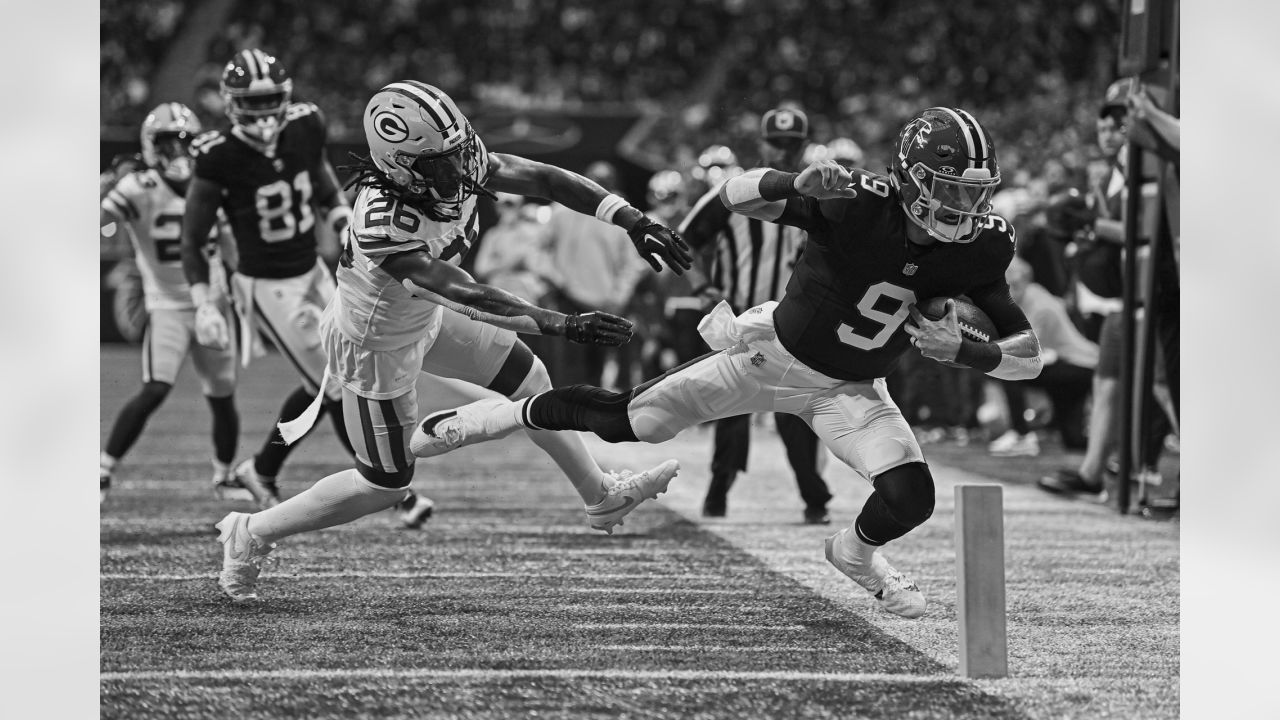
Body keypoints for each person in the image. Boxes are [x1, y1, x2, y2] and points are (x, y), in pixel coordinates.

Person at [412, 107, 1043, 619]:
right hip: (766, 356)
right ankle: (498, 417)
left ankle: (854, 554)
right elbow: (735, 193)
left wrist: (967, 351)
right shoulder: (859, 203)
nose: (966, 206)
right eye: (954, 188)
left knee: (911, 496)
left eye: (975, 192)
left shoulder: (981, 245)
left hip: (848, 387)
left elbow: (1028, 356)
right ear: (913, 179)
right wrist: (794, 184)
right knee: (629, 422)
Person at [211, 80, 693, 602]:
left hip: (427, 315)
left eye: (460, 153)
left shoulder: (451, 157)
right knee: (385, 483)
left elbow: (545, 178)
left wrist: (630, 218)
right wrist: (561, 322)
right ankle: (250, 531)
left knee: (529, 377)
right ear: (401, 167)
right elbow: (464, 292)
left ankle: (599, 496)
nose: (461, 170)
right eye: (442, 163)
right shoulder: (383, 220)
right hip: (378, 345)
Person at [178, 49, 434, 527]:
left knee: (327, 376)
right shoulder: (217, 155)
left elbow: (318, 177)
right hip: (266, 284)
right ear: (231, 104)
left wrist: (340, 216)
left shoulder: (304, 124)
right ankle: (392, 488)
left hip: (316, 269)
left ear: (287, 97)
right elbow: (192, 238)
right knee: (335, 384)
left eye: (271, 100)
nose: (262, 113)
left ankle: (262, 467)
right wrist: (202, 301)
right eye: (251, 104)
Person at [679, 107, 833, 524]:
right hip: (742, 323)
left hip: (793, 322)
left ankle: (815, 497)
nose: (783, 151)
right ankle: (718, 492)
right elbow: (683, 240)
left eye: (791, 144)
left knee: (797, 411)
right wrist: (700, 287)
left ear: (802, 146)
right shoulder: (733, 191)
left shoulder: (816, 193)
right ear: (761, 144)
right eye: (776, 143)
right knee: (731, 410)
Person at [100, 103, 243, 504]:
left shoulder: (212, 183)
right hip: (165, 304)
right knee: (156, 388)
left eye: (184, 142)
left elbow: (231, 244)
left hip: (210, 304)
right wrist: (109, 182)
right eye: (167, 143)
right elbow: (101, 221)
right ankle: (103, 468)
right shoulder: (139, 187)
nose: (177, 152)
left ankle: (225, 475)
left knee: (222, 395)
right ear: (150, 147)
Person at [541, 161, 651, 387]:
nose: (598, 185)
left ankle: (587, 420)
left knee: (597, 367)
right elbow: (537, 249)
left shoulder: (622, 216)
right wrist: (555, 277)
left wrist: (618, 297)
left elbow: (633, 264)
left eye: (604, 181)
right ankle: (564, 419)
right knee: (568, 365)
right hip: (567, 297)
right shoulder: (562, 211)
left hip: (605, 303)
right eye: (594, 179)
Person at [988, 257, 1097, 456]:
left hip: (1080, 366)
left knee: (1009, 370)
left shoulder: (1039, 305)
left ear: (1018, 284)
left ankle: (1022, 436)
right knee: (1073, 441)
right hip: (1074, 365)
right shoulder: (1032, 297)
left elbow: (1024, 350)